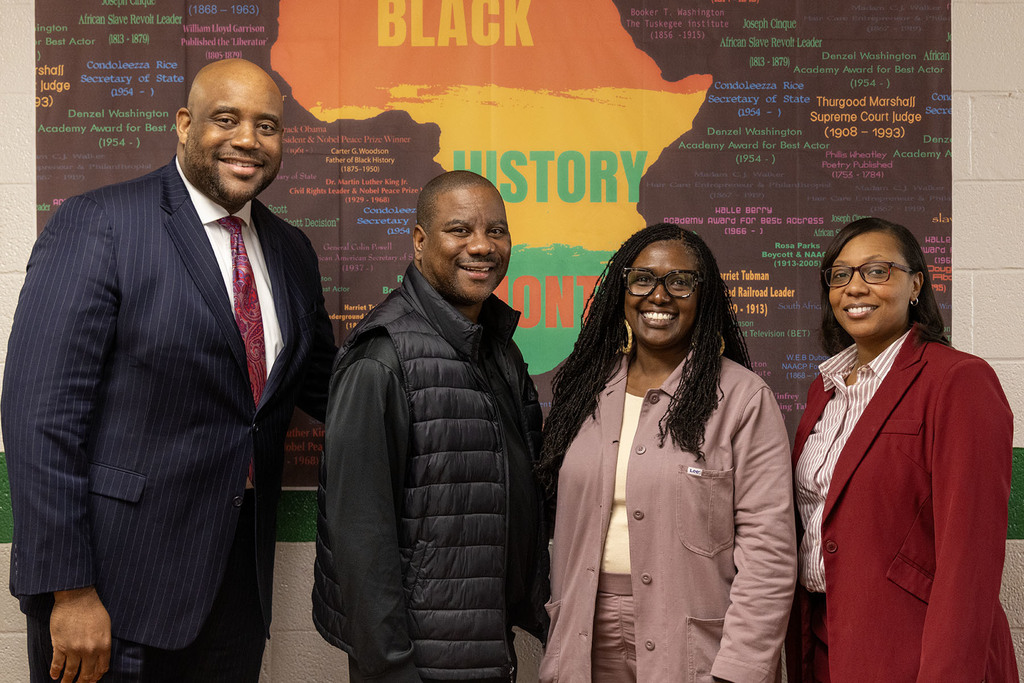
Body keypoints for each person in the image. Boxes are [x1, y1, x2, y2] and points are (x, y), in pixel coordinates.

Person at [2, 59, 336, 682]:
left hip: (237, 593)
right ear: (184, 125)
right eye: (226, 119)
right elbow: (39, 417)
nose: (248, 140)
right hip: (112, 594)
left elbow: (328, 385)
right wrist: (69, 591)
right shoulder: (99, 222)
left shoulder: (291, 250)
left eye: (267, 126)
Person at [312, 170, 549, 682]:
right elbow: (358, 537)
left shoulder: (496, 345)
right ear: (420, 242)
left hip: (481, 639)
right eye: (460, 230)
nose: (482, 246)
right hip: (418, 660)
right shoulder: (382, 357)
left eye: (497, 231)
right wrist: (390, 668)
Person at [535, 223, 796, 682]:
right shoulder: (585, 392)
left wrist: (739, 669)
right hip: (584, 633)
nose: (659, 296)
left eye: (679, 282)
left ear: (704, 296)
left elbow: (768, 552)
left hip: (693, 643)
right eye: (642, 279)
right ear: (623, 290)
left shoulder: (742, 398)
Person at [785, 217, 1018, 682]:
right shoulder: (824, 389)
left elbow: (970, 557)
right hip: (828, 646)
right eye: (840, 274)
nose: (854, 287)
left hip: (914, 652)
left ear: (916, 285)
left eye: (876, 271)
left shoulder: (958, 381)